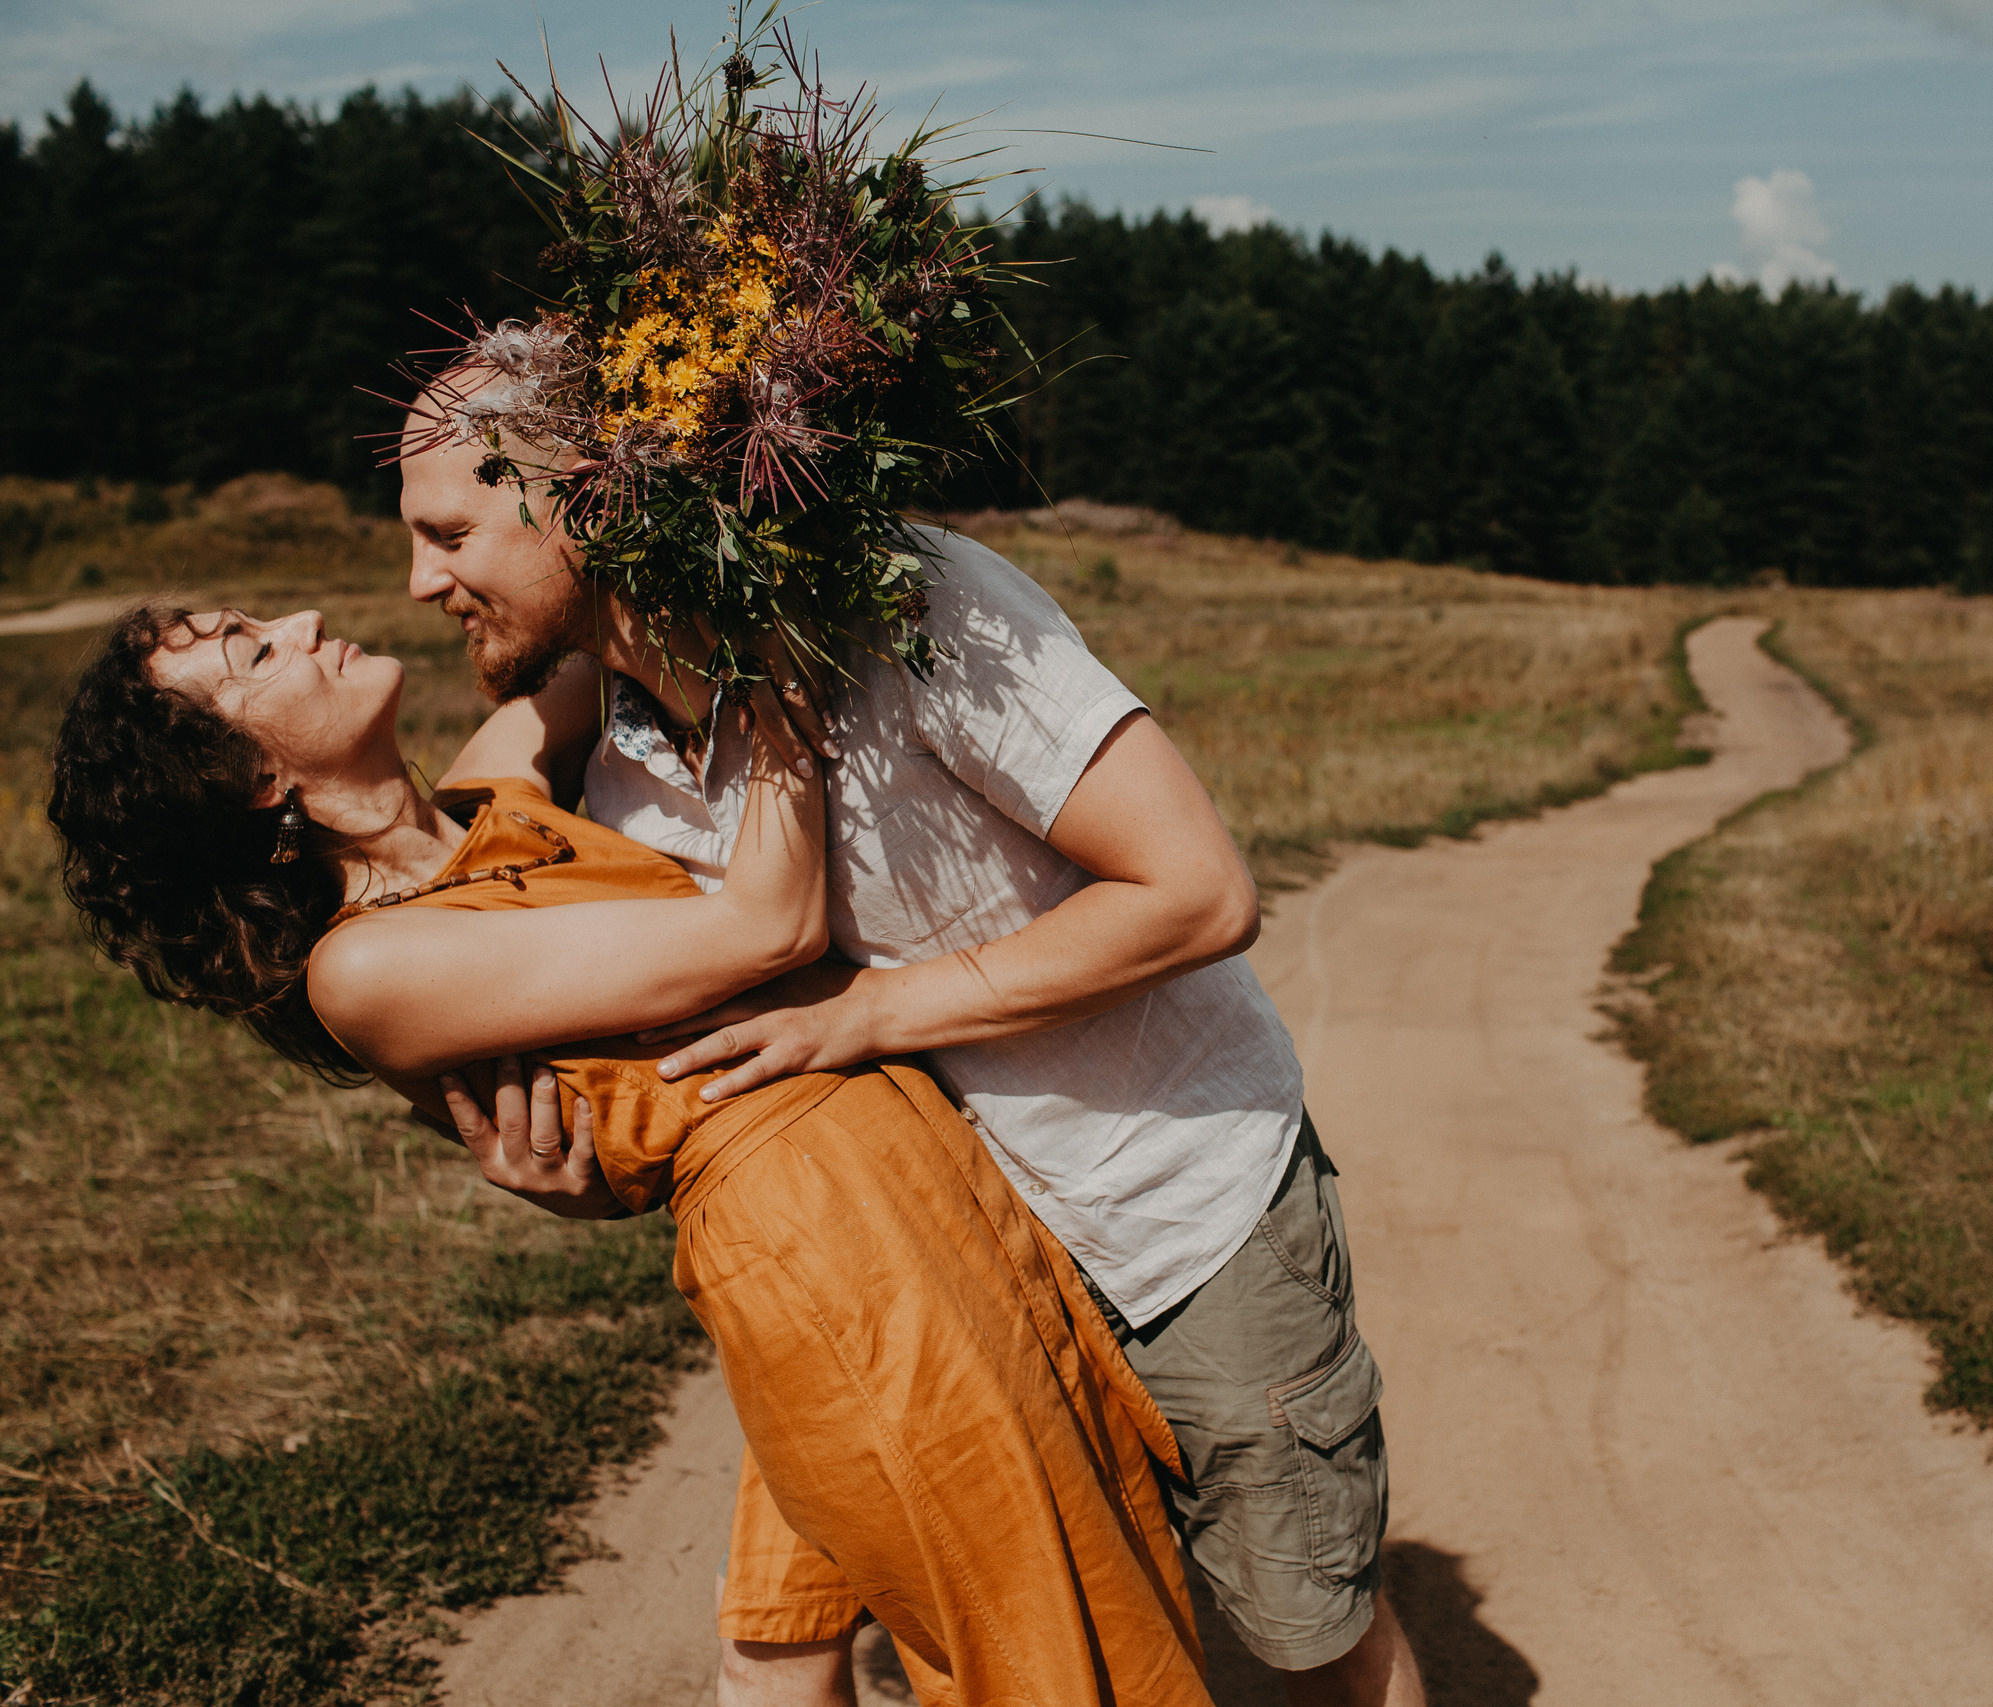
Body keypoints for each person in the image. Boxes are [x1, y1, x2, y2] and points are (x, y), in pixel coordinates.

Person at [402, 377, 1426, 1707]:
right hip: (932, 1272)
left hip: (1170, 1208)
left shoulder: (917, 606)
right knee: (869, 1637)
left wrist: (877, 1009)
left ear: (584, 506)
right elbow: (687, 1055)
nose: (420, 579)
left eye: (446, 534)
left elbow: (1198, 892)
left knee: (1307, 1632)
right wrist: (586, 1169)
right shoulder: (601, 759)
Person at [45, 600, 1213, 1707]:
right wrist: (771, 682)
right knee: (1045, 1642)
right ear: (250, 780)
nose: (299, 627)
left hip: (902, 1196)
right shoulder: (367, 967)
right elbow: (766, 926)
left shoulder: (489, 796)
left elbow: (581, 618)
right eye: (253, 656)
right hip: (837, 1259)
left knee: (942, 1611)